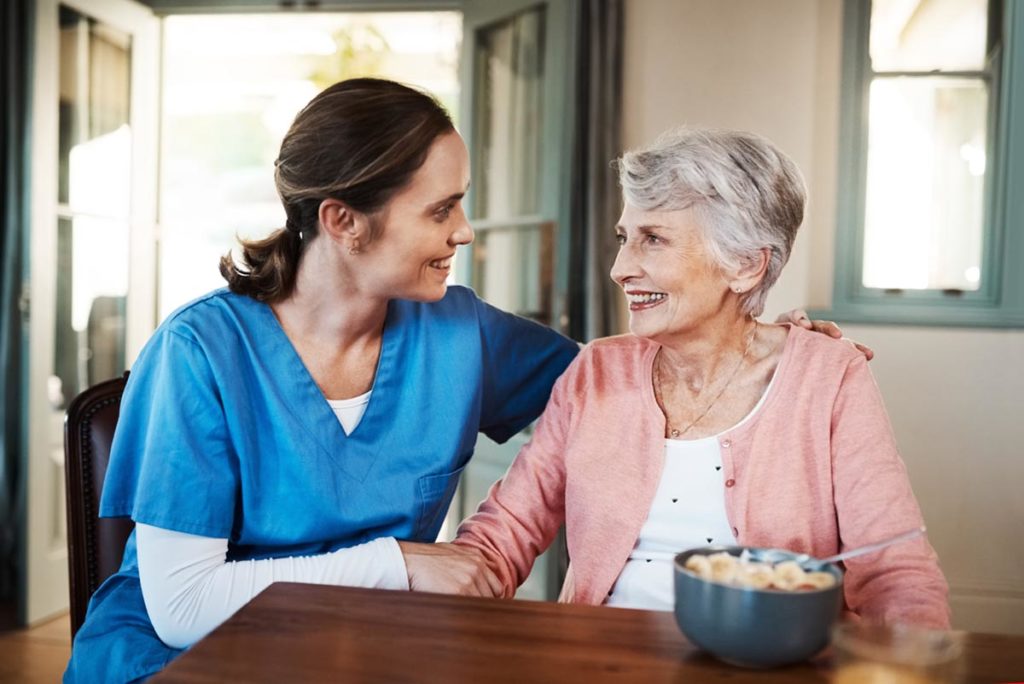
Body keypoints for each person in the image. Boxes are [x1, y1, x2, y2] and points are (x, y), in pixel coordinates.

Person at [63, 80, 860, 683]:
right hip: (186, 659)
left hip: (366, 650)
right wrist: (404, 563)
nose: (465, 232)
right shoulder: (199, 353)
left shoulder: (461, 332)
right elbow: (182, 605)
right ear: (343, 220)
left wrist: (765, 346)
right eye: (441, 210)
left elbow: (625, 381)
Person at [453, 127, 950, 628]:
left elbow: (893, 572)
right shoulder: (598, 371)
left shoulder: (829, 377)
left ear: (745, 266)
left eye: (654, 240)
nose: (620, 268)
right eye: (625, 238)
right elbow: (504, 534)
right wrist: (410, 580)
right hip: (601, 661)